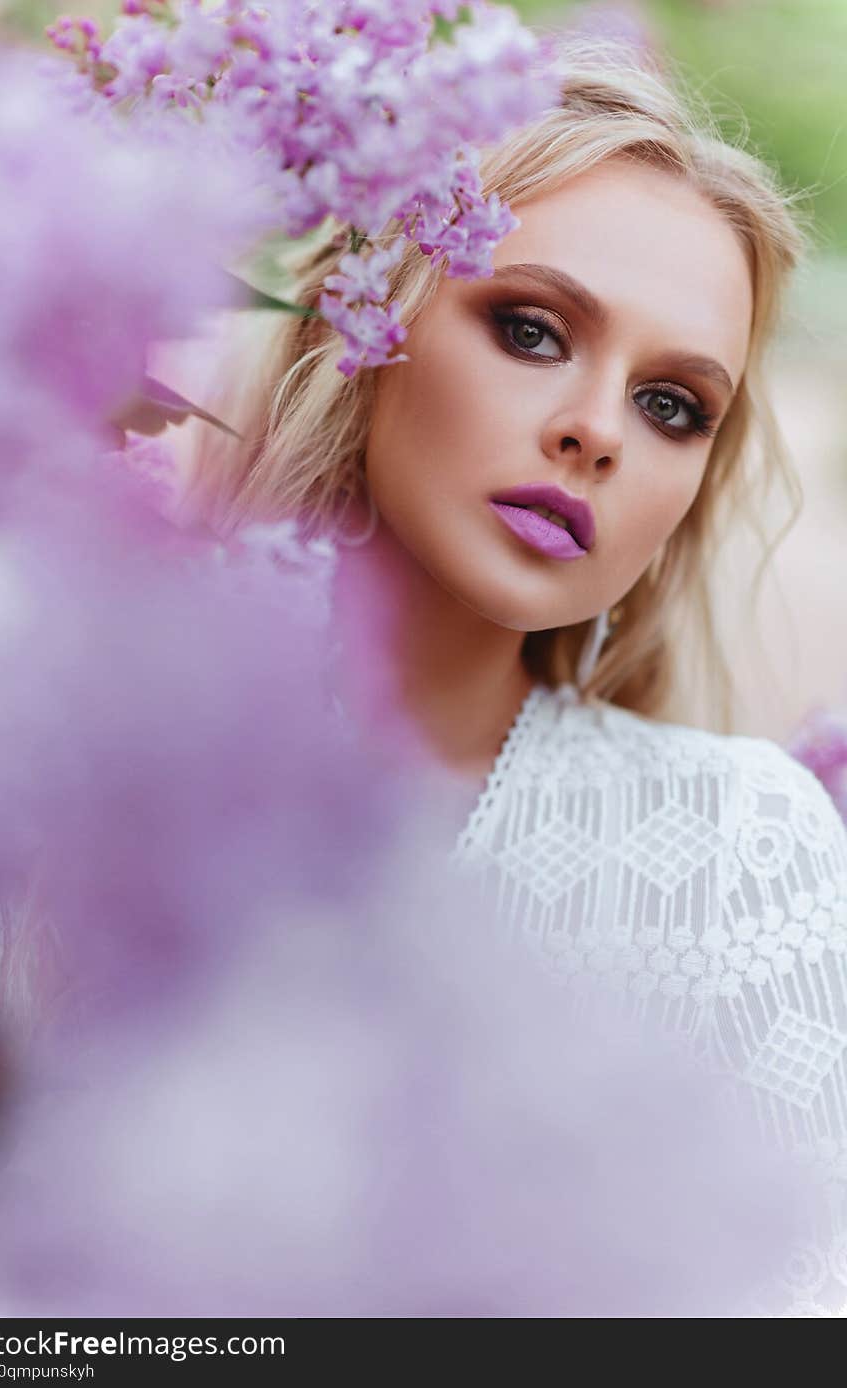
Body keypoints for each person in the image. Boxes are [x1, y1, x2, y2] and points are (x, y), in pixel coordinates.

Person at [183, 36, 847, 1316]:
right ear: (363, 321)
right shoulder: (70, 753)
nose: (595, 428)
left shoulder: (738, 847)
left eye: (672, 406)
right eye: (531, 328)